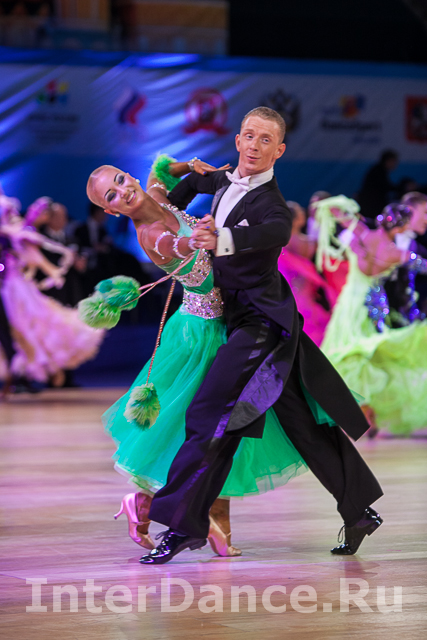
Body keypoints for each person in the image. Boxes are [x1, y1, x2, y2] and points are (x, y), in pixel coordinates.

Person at [135, 107, 383, 565]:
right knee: (302, 423)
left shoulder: (272, 203)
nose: (254, 145)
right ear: (237, 141)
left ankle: (182, 526)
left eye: (265, 139)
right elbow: (180, 194)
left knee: (211, 413)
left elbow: (276, 231)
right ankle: (358, 510)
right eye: (249, 136)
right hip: (255, 322)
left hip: (262, 326)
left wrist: (221, 239)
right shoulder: (223, 179)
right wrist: (177, 188)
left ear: (279, 150)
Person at [85, 155, 308, 557]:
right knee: (205, 430)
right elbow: (178, 245)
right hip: (200, 335)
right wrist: (201, 236)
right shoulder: (151, 234)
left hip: (228, 323)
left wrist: (189, 167)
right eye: (112, 196)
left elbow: (159, 171)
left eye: (120, 180)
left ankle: (167, 511)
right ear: (111, 211)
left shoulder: (156, 195)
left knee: (222, 429)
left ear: (130, 176)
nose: (123, 191)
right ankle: (172, 511)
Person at [319, 197, 427, 436]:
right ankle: (366, 410)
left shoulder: (363, 233)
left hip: (349, 305)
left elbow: (332, 209)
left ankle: (362, 410)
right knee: (367, 354)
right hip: (372, 306)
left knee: (346, 353)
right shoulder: (398, 253)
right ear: (401, 227)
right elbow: (423, 266)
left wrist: (345, 211)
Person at [0, 193, 104, 386]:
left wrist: (51, 270)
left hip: (20, 287)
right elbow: (36, 255)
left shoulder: (19, 233)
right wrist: (50, 270)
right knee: (22, 328)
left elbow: (35, 256)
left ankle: (30, 375)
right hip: (14, 287)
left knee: (31, 326)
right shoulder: (15, 233)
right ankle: (22, 375)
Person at [277, 201, 333, 346]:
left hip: (289, 295)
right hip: (308, 293)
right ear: (298, 220)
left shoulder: (277, 245)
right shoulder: (309, 243)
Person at [357, 149, 399, 224]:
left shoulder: (380, 170)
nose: (395, 164)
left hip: (371, 207)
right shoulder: (378, 171)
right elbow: (385, 187)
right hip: (371, 208)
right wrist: (401, 188)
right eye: (394, 161)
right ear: (388, 161)